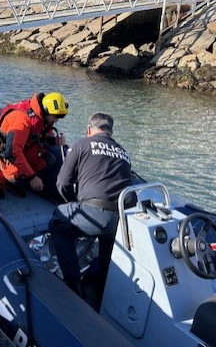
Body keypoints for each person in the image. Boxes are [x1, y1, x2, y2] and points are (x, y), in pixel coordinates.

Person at [49, 112, 132, 306]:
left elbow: (62, 183)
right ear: (110, 132)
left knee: (58, 223)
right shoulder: (124, 153)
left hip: (93, 212)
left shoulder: (82, 144)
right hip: (118, 219)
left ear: (89, 129)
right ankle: (102, 294)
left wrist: (73, 203)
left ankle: (73, 285)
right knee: (106, 251)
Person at [0, 92, 68, 198]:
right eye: (55, 117)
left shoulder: (40, 117)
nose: (56, 121)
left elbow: (42, 134)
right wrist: (32, 177)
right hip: (2, 150)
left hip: (24, 146)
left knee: (48, 160)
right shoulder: (23, 120)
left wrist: (54, 141)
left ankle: (19, 181)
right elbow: (12, 152)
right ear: (46, 110)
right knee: (15, 173)